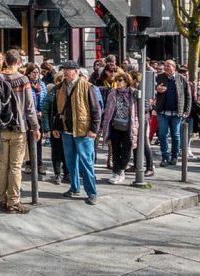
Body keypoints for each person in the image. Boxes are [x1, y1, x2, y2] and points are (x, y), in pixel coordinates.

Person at [0, 49, 40, 214]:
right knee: (15, 166)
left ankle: (2, 198)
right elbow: (29, 106)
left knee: (2, 165)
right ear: (19, 62)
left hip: (0, 127)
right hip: (18, 126)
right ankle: (13, 202)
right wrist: (35, 127)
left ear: (5, 61)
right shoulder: (23, 79)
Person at [52, 60, 102, 205]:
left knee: (86, 162)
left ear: (76, 71)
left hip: (83, 131)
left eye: (69, 69)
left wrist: (94, 129)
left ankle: (92, 192)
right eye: (64, 69)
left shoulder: (87, 86)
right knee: (70, 162)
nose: (66, 72)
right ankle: (74, 188)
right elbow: (57, 110)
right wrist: (55, 127)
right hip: (66, 130)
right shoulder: (60, 87)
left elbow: (96, 109)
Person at [101, 72, 138, 184]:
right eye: (116, 80)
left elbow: (142, 108)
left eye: (120, 80)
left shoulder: (133, 93)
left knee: (127, 149)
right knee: (115, 149)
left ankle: (121, 170)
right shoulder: (113, 93)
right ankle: (116, 171)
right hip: (115, 125)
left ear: (126, 81)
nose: (117, 82)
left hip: (129, 126)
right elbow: (108, 109)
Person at [154, 60, 191, 167]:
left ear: (174, 67)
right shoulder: (159, 77)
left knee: (176, 135)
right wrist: (157, 90)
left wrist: (186, 110)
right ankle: (165, 157)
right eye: (164, 65)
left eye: (168, 66)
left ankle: (174, 156)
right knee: (162, 135)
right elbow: (151, 90)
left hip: (177, 113)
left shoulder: (181, 78)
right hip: (162, 112)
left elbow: (188, 96)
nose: (165, 67)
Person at [42, 71, 69, 184]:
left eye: (62, 79)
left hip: (67, 127)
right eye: (58, 80)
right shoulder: (52, 92)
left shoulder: (69, 91)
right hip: (55, 126)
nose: (60, 82)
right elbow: (45, 110)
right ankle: (57, 173)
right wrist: (47, 129)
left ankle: (67, 174)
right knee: (57, 152)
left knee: (67, 152)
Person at [23, 63, 47, 176]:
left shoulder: (42, 85)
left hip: (40, 117)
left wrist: (41, 111)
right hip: (28, 117)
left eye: (38, 73)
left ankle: (39, 163)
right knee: (29, 141)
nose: (36, 75)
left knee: (38, 141)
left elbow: (45, 100)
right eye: (34, 72)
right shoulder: (25, 85)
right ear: (29, 73)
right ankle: (29, 163)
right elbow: (24, 102)